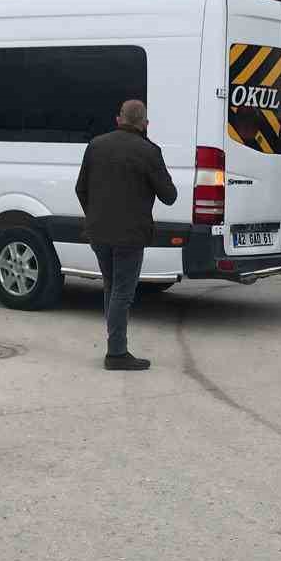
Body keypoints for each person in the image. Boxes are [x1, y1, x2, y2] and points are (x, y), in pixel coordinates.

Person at [75, 99, 178, 371]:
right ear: (145, 123)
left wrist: (95, 216)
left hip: (98, 232)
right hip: (131, 235)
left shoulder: (95, 145)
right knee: (122, 292)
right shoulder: (149, 151)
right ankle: (116, 353)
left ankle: (115, 345)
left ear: (118, 119)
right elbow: (169, 196)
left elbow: (80, 189)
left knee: (111, 288)